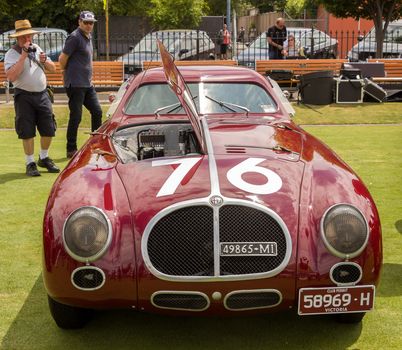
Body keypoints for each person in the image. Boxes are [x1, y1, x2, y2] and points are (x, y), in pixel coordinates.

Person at [4, 19, 59, 176]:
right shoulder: (11, 54)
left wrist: (45, 62)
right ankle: (30, 162)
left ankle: (44, 157)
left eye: (29, 36)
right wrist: (23, 57)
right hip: (24, 96)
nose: (27, 40)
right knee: (27, 130)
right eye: (23, 37)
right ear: (17, 39)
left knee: (48, 128)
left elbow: (53, 69)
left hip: (42, 94)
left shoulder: (37, 48)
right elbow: (12, 77)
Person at [59, 11, 103, 158]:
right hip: (75, 84)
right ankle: (71, 149)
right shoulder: (74, 37)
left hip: (87, 84)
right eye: (86, 22)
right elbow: (62, 58)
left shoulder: (88, 37)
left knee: (97, 111)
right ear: (79, 22)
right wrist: (66, 72)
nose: (89, 25)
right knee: (76, 116)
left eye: (91, 23)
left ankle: (95, 145)